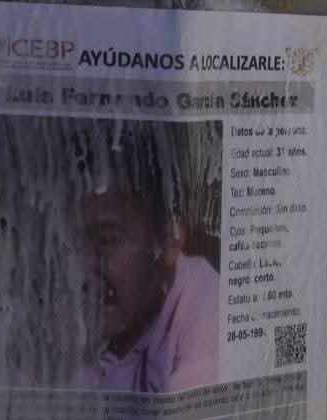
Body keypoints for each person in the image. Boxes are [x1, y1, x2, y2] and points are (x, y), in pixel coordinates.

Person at [69, 122, 224, 393]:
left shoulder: (206, 305)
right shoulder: (84, 329)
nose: (81, 267)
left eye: (106, 240)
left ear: (168, 241)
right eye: (70, 246)